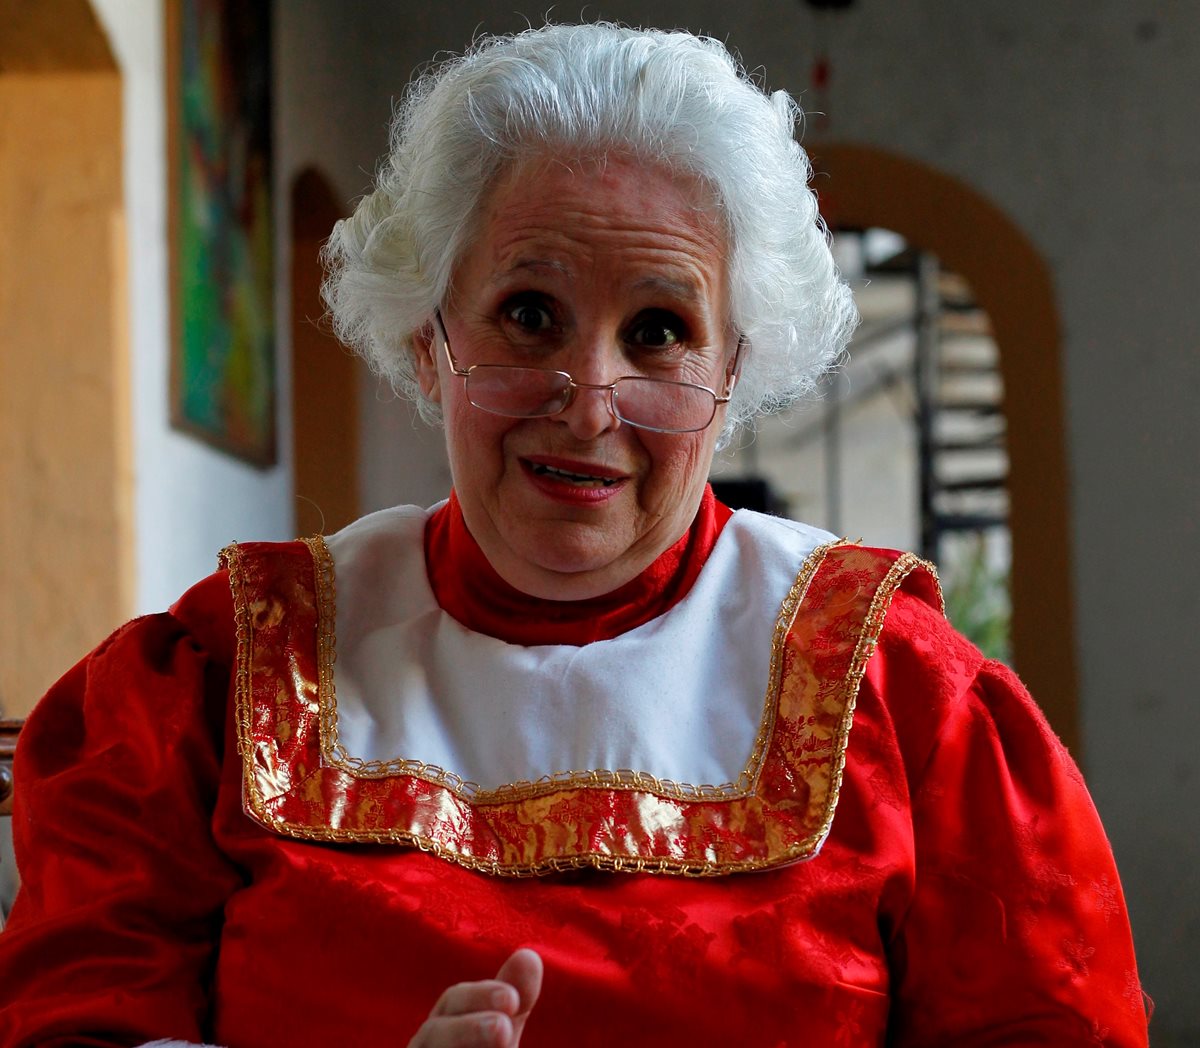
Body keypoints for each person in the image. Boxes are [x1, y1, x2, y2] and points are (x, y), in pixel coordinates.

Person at [0, 22, 1148, 1048]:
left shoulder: (904, 699)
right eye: (529, 313)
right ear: (428, 344)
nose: (589, 403)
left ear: (734, 372)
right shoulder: (221, 679)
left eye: (659, 330)